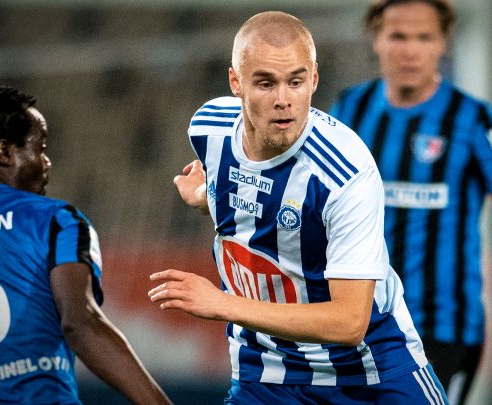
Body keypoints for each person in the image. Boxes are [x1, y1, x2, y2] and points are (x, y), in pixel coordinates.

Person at [148, 11, 448, 405]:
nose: (283, 100)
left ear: (315, 79)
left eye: (296, 81)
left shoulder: (344, 174)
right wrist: (208, 197)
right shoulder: (208, 128)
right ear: (236, 83)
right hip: (266, 373)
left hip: (368, 376)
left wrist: (223, 304)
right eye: (265, 83)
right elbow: (255, 195)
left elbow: (349, 322)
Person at [329, 1, 492, 403]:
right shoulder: (349, 110)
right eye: (398, 36)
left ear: (443, 43)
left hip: (441, 331)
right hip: (359, 322)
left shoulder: (474, 120)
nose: (410, 50)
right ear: (376, 39)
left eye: (424, 37)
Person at [0, 81, 172, 405]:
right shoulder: (55, 220)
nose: (46, 162)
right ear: (4, 151)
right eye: (40, 147)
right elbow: (80, 322)